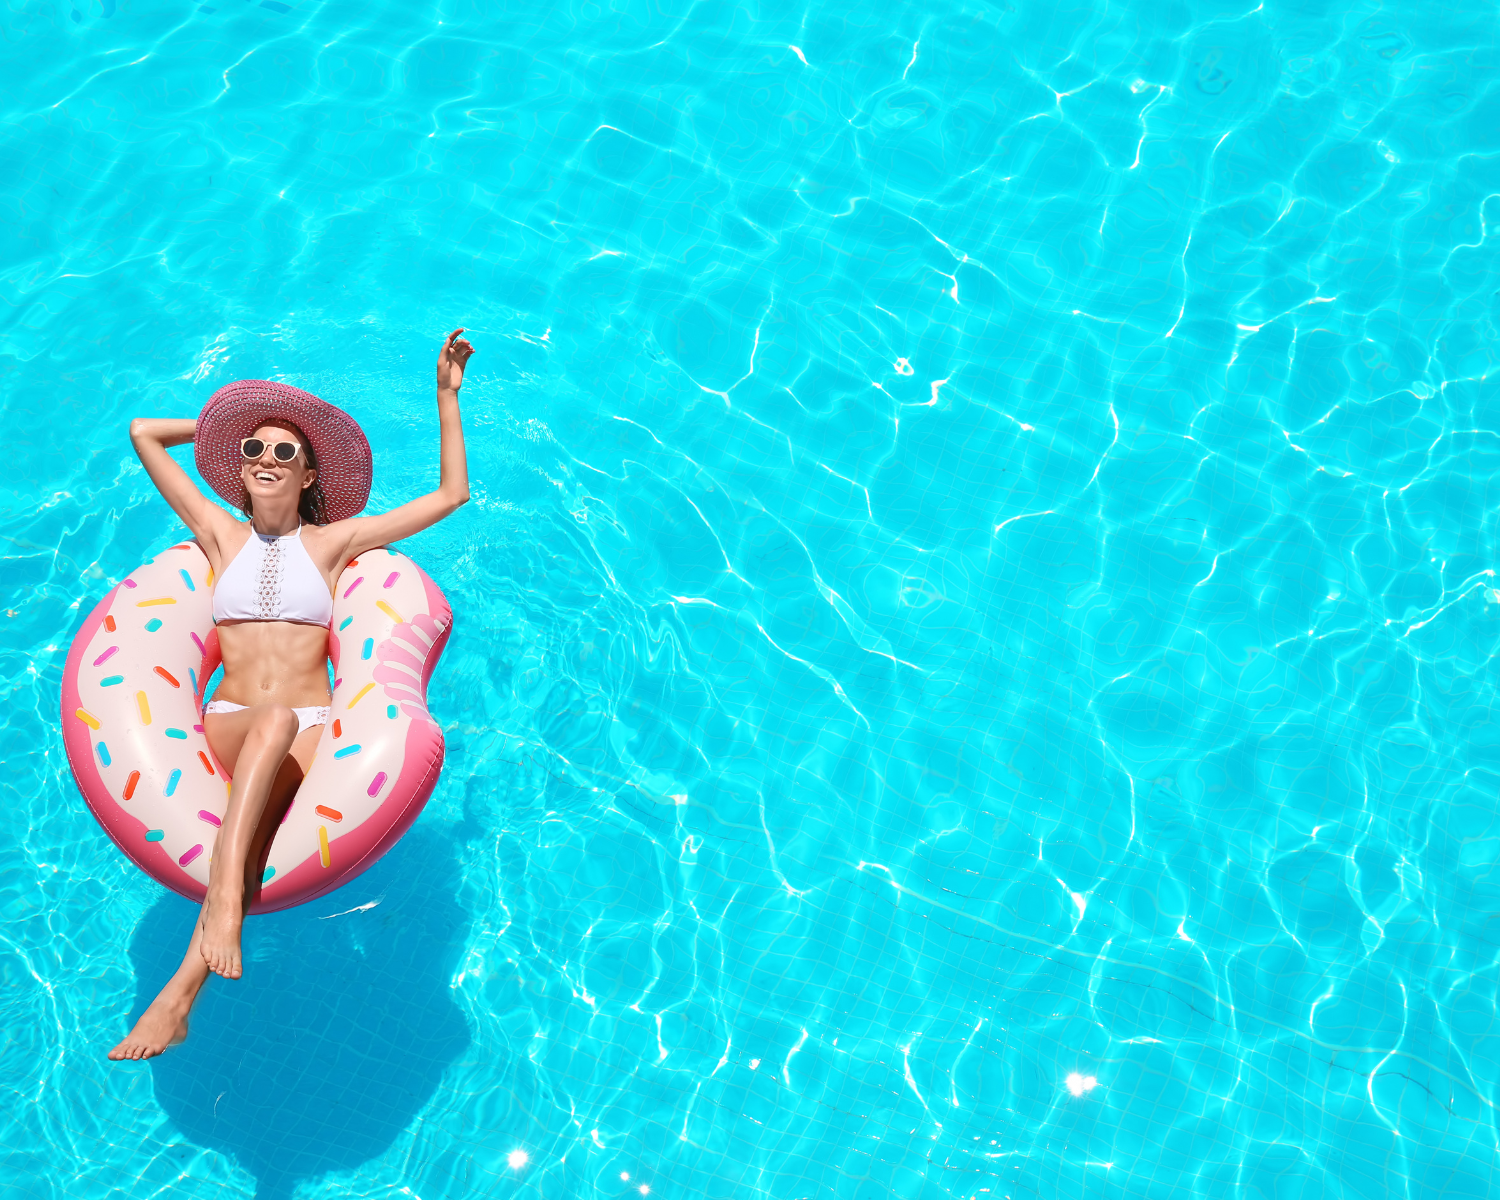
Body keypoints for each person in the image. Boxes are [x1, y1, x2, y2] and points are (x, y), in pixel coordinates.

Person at [107, 329, 475, 1061]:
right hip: (231, 722)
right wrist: (227, 427)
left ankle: (184, 988)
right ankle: (216, 925)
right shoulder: (217, 534)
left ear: (309, 477)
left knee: (277, 738)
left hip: (305, 727)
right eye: (254, 451)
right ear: (237, 472)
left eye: (284, 452)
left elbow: (452, 495)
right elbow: (144, 433)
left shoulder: (337, 543)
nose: (266, 460)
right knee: (266, 722)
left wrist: (445, 397)